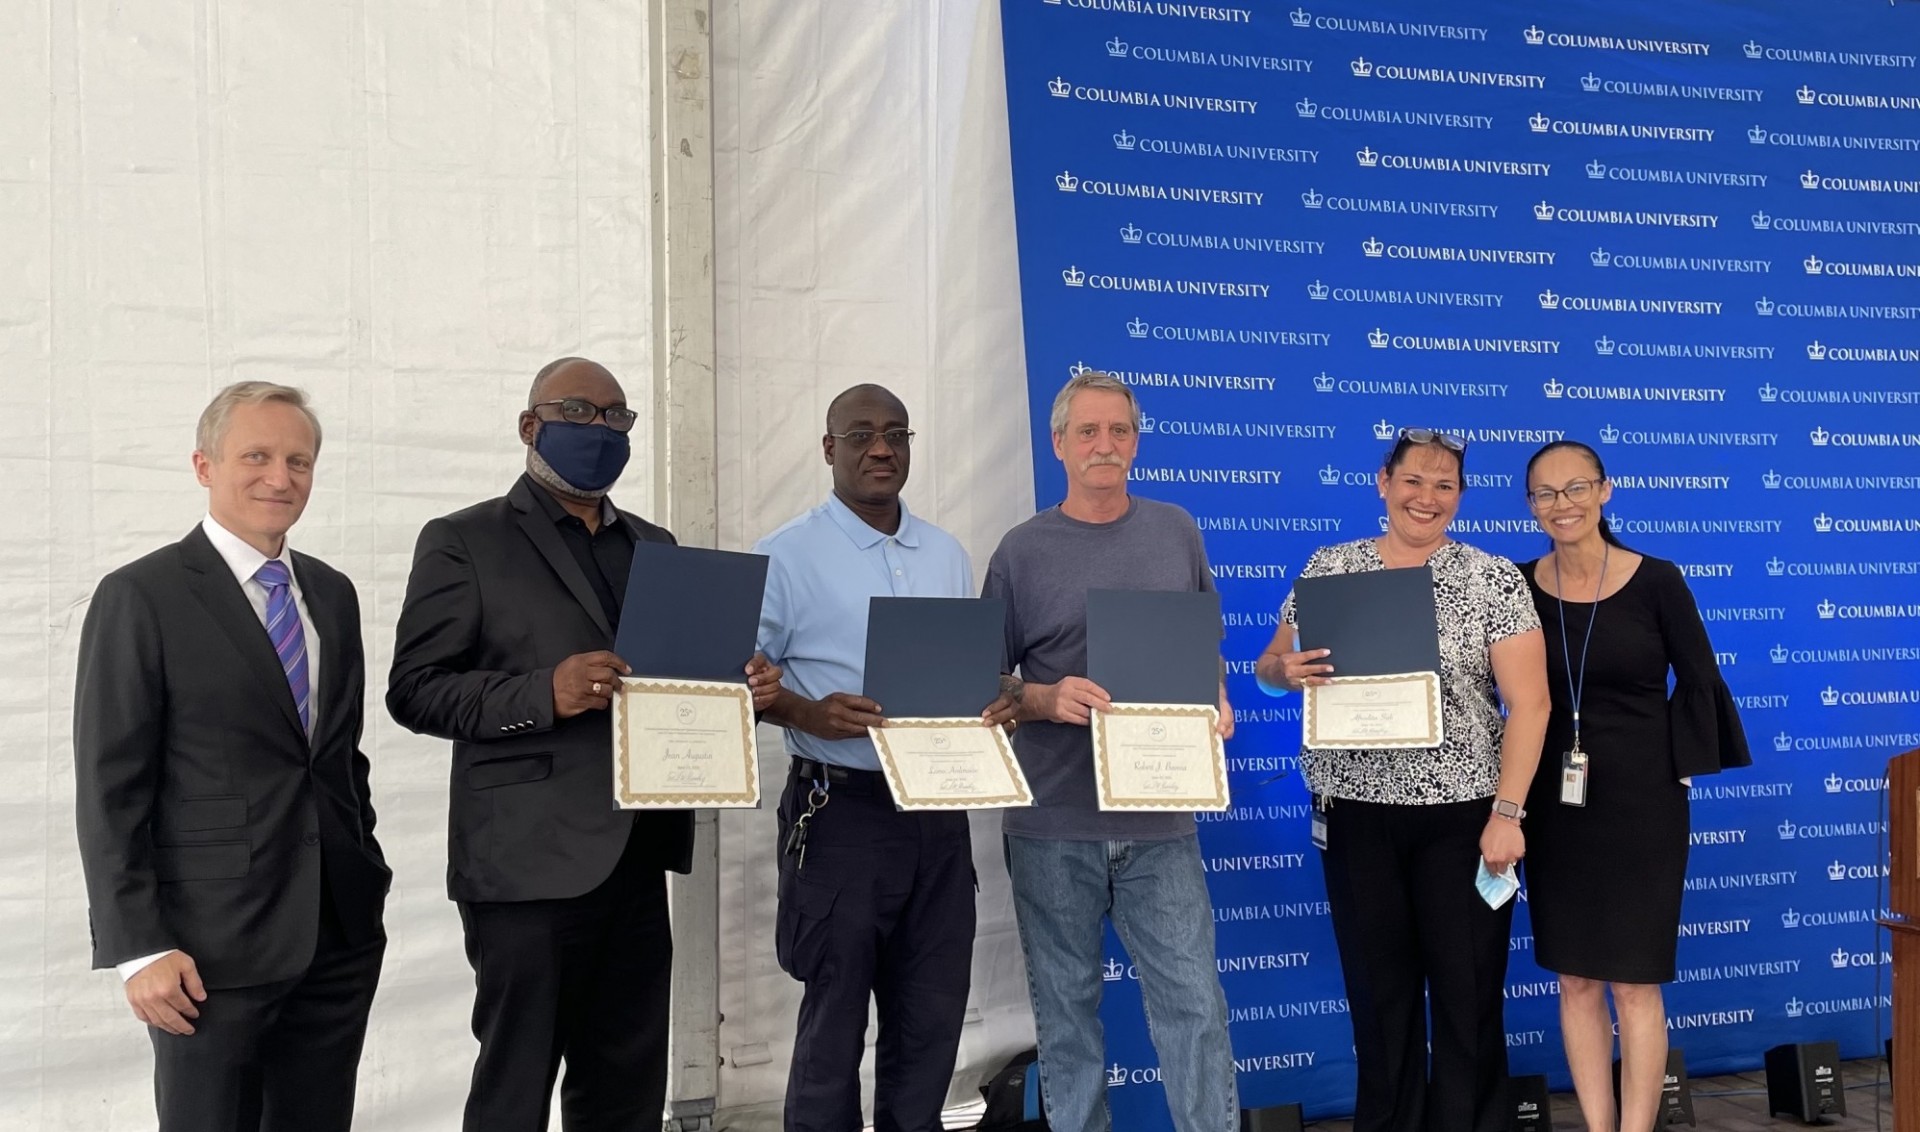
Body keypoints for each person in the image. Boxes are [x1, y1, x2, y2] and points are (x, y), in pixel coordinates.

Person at [386, 357, 780, 1132]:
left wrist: (746, 693)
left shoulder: (655, 546)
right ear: (530, 425)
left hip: (636, 857)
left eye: (616, 418)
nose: (599, 429)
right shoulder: (464, 540)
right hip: (523, 869)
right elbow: (415, 689)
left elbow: (680, 685)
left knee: (627, 1085)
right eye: (579, 411)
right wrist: (544, 692)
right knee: (515, 1084)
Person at [72, 382, 390, 1132]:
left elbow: (338, 758)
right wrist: (137, 946)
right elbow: (109, 784)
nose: (280, 478)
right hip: (206, 950)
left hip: (336, 933)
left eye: (299, 461)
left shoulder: (332, 595)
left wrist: (364, 875)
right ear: (204, 465)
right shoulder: (140, 596)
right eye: (257, 456)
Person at [1256, 427, 1550, 1132]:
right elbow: (1270, 669)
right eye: (1413, 480)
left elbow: (1532, 705)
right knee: (1378, 997)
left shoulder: (1491, 578)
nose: (1427, 496)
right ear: (1382, 482)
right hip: (1356, 816)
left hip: (1465, 820)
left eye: (1444, 485)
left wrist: (1508, 813)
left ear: (1460, 497)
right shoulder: (1331, 568)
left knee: (1467, 995)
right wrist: (1280, 674)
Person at [754, 383, 1018, 1132]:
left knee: (930, 1021)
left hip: (937, 819)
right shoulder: (784, 555)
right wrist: (806, 711)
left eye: (897, 434)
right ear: (828, 448)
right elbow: (733, 684)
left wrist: (994, 699)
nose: (881, 448)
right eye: (863, 434)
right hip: (840, 817)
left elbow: (956, 676)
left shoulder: (944, 552)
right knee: (834, 1024)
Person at [982, 371, 1237, 1132]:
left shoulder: (1176, 531)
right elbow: (981, 685)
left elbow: (1204, 647)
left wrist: (1215, 699)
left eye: (1118, 431)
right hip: (1053, 824)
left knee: (1195, 1007)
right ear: (1058, 444)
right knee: (1067, 1020)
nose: (1104, 445)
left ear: (1136, 441)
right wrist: (1041, 697)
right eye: (1087, 432)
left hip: (1161, 822)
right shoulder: (1020, 551)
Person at [1517, 440, 1750, 1132]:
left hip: (1644, 807)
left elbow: (1701, 678)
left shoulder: (1658, 580)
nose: (1562, 505)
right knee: (1576, 978)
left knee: (1635, 981)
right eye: (1545, 494)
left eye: (1576, 488)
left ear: (1605, 491)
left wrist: (1675, 764)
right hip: (1556, 806)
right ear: (1531, 506)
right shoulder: (1517, 584)